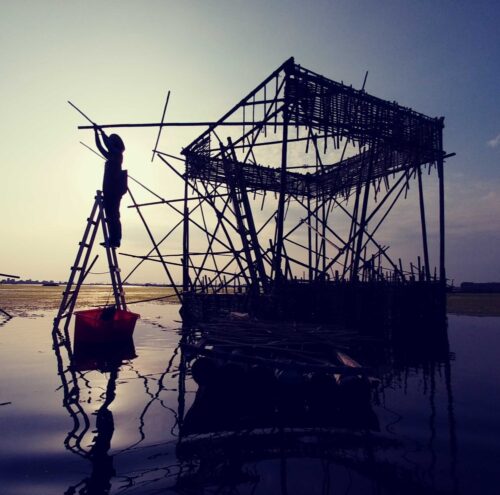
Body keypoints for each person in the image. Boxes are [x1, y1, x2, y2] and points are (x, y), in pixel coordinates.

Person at [94, 126, 127, 248]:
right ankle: (112, 238)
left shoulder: (118, 154)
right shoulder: (111, 155)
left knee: (114, 215)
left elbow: (107, 144)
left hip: (114, 190)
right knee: (109, 215)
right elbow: (100, 147)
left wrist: (102, 133)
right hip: (108, 189)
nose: (110, 142)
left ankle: (115, 239)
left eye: (112, 140)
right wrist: (96, 133)